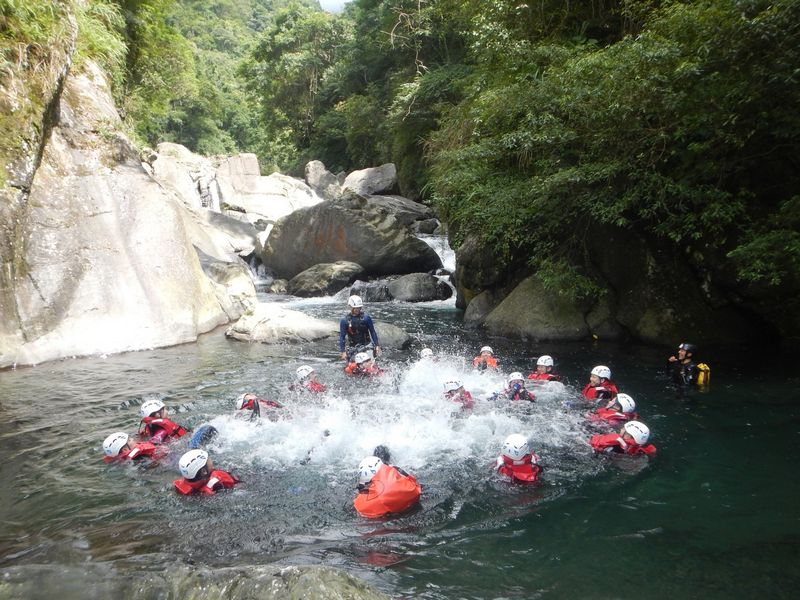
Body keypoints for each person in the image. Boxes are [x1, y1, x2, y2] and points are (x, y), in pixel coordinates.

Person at [353, 451, 421, 518]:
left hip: (382, 519)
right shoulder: (402, 482)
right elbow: (416, 487)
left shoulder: (360, 503)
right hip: (412, 509)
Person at [174, 449, 240, 495]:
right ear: (204, 471)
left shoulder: (188, 480)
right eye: (208, 460)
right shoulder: (217, 480)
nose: (211, 460)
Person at [339, 295, 381, 361]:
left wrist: (377, 345)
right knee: (353, 367)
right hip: (353, 348)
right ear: (351, 306)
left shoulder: (366, 318)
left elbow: (372, 331)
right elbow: (342, 337)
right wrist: (343, 351)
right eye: (356, 308)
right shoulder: (345, 321)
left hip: (367, 345)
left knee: (368, 364)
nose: (358, 309)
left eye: (359, 307)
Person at [589, 420, 656, 456]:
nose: (621, 429)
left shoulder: (615, 446)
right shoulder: (638, 448)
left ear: (628, 436)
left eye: (624, 429)